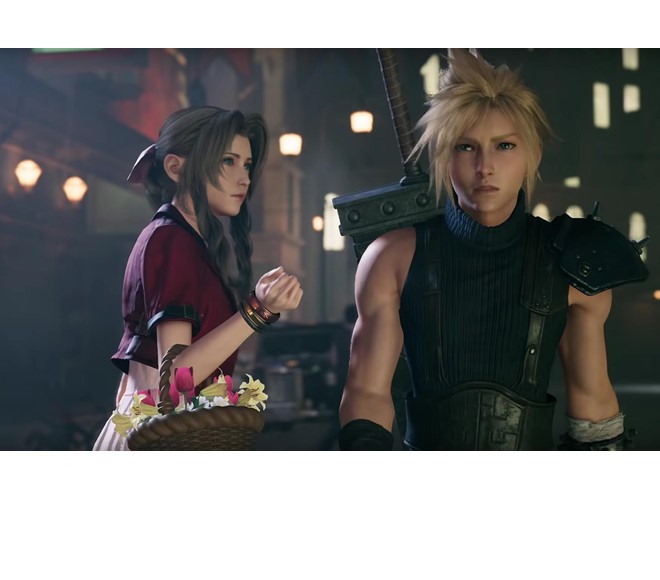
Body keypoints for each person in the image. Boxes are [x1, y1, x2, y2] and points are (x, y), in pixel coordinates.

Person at [338, 49, 647, 451]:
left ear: (531, 155)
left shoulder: (573, 264)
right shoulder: (392, 258)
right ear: (443, 158)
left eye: (504, 146)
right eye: (466, 147)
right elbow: (366, 392)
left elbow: (593, 407)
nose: (485, 166)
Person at [93, 106, 303, 450]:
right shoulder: (172, 239)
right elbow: (176, 380)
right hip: (159, 433)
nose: (244, 178)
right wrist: (258, 310)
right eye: (228, 161)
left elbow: (143, 375)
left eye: (247, 164)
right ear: (176, 168)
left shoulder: (176, 238)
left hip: (152, 426)